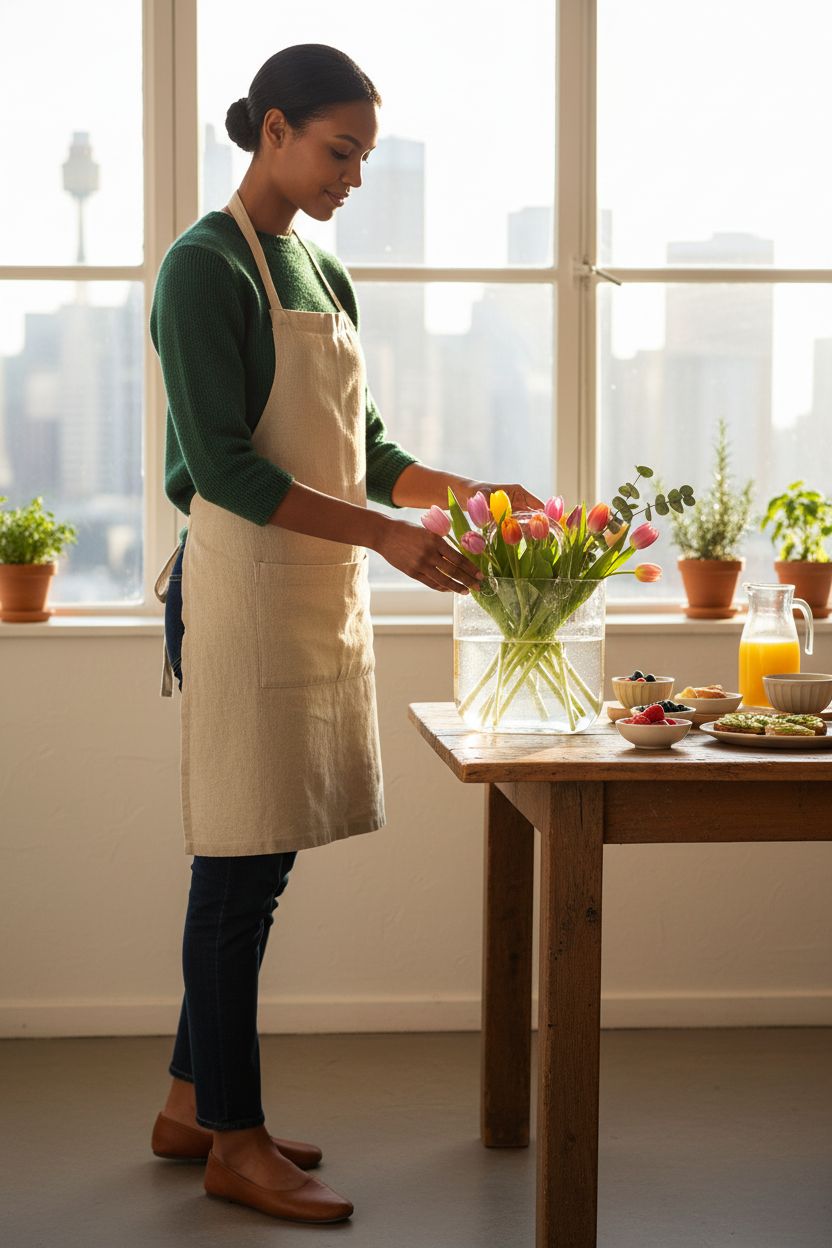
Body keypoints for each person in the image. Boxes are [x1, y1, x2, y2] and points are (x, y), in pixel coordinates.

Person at [148, 43, 543, 1224]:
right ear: (272, 130)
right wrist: (382, 537)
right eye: (338, 151)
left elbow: (365, 449)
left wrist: (462, 493)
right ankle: (235, 1136)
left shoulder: (320, 268)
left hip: (309, 582)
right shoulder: (201, 268)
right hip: (243, 587)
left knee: (257, 861)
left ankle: (186, 1102)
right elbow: (219, 465)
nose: (352, 178)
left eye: (364, 157)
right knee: (235, 862)